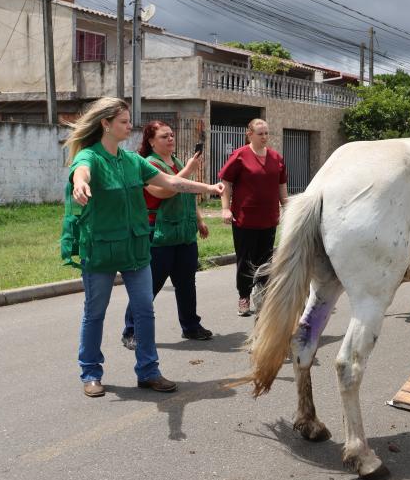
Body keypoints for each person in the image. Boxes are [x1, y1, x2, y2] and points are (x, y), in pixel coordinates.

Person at [61, 98, 224, 398]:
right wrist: (79, 184)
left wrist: (209, 188)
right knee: (94, 312)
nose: (129, 126)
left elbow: (172, 183)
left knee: (144, 311)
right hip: (100, 249)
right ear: (106, 124)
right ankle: (91, 372)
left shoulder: (132, 161)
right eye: (123, 121)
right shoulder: (90, 157)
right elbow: (80, 171)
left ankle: (148, 371)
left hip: (135, 248)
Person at [120, 121, 214, 351]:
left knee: (186, 283)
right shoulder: (147, 164)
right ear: (151, 141)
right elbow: (163, 191)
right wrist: (190, 170)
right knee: (149, 286)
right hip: (159, 236)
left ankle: (191, 325)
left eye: (171, 135)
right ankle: (131, 331)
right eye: (164, 136)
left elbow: (187, 191)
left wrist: (199, 220)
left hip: (183, 234)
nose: (170, 139)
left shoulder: (178, 162)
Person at [218, 118, 288, 316]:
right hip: (245, 218)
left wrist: (286, 206)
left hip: (269, 218)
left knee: (266, 260)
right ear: (249, 134)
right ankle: (244, 296)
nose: (265, 137)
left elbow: (281, 185)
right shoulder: (240, 156)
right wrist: (225, 208)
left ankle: (263, 296)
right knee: (245, 260)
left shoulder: (276, 158)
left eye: (267, 133)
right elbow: (226, 182)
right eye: (260, 133)